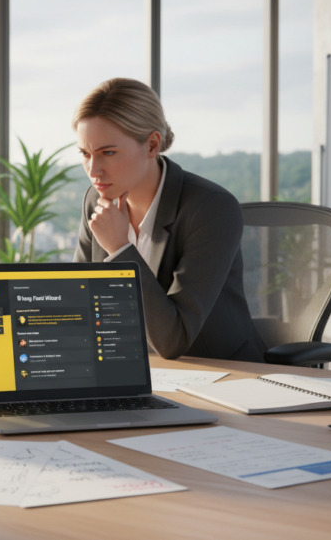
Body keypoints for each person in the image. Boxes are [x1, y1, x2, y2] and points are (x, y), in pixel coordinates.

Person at [72, 78, 266, 362]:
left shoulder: (211, 208)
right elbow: (78, 299)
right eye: (85, 154)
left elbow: (173, 340)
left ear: (152, 145)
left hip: (219, 373)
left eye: (108, 153)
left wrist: (120, 250)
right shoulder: (96, 200)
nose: (94, 170)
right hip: (133, 367)